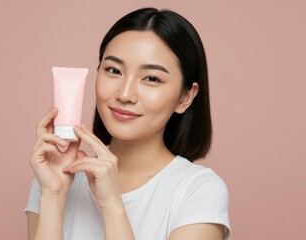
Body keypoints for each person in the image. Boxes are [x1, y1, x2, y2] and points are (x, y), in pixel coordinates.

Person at [25, 7, 231, 240]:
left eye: (151, 78)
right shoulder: (52, 180)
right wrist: (53, 196)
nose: (125, 94)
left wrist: (113, 206)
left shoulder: (198, 191)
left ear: (185, 97)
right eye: (114, 70)